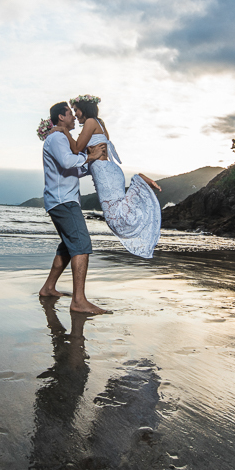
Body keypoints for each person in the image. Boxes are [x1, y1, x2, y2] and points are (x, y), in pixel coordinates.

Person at [54, 94, 162, 259]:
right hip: (109, 170)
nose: (75, 114)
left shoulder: (90, 122)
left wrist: (64, 131)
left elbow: (76, 149)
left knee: (115, 220)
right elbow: (83, 153)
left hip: (104, 171)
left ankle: (138, 180)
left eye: (76, 110)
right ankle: (137, 181)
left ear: (84, 109)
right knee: (117, 216)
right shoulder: (100, 123)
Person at [39, 101, 110, 314]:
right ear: (61, 117)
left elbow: (74, 169)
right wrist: (89, 156)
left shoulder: (59, 138)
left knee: (68, 246)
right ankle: (79, 300)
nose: (73, 116)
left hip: (61, 199)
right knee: (81, 243)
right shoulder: (57, 137)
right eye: (70, 113)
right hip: (63, 201)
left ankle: (48, 287)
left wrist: (93, 162)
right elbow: (67, 161)